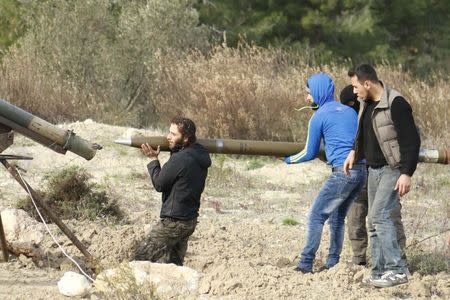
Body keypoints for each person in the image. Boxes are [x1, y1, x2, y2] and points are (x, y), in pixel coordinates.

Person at [343, 64, 420, 288]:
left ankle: (397, 270)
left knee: (379, 216)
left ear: (367, 83)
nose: (354, 92)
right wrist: (353, 152)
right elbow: (363, 133)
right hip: (373, 169)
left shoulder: (396, 103)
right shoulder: (366, 104)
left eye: (356, 86)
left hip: (392, 169)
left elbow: (411, 141)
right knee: (373, 222)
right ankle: (378, 271)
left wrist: (406, 173)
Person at [284, 73, 366, 273]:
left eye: (309, 93)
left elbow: (309, 152)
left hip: (343, 172)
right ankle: (332, 263)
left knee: (315, 216)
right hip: (362, 172)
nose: (307, 98)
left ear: (319, 93)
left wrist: (287, 159)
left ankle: (305, 264)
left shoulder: (318, 116)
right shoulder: (349, 111)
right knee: (337, 218)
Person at [339, 85, 407, 267]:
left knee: (385, 217)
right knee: (360, 217)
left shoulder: (381, 109)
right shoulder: (356, 116)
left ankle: (396, 262)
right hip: (361, 174)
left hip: (383, 172)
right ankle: (365, 261)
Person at [134, 117, 211, 266]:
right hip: (189, 221)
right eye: (169, 132)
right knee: (173, 265)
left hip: (173, 223)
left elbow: (159, 184)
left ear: (186, 138)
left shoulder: (181, 159)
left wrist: (153, 160)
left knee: (139, 260)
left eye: (173, 134)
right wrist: (174, 149)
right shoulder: (198, 154)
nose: (168, 137)